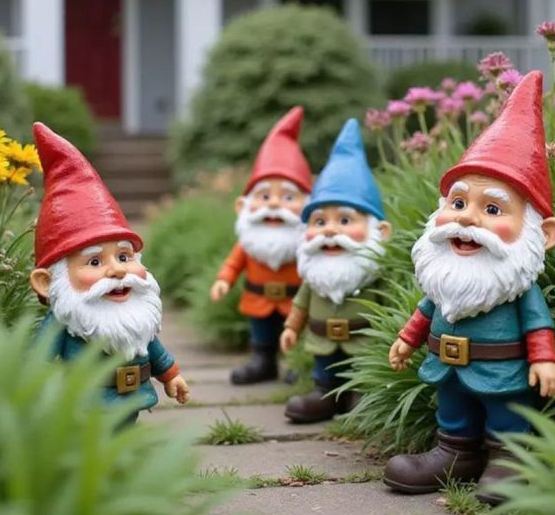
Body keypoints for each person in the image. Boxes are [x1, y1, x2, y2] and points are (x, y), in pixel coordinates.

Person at [384, 71, 555, 505]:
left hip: (503, 372)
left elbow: (537, 326)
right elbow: (428, 308)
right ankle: (455, 453)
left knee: (506, 415)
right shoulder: (446, 279)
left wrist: (543, 360)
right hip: (448, 368)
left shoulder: (516, 287)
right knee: (454, 411)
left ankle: (509, 458)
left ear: (544, 234)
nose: (467, 219)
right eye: (459, 203)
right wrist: (407, 340)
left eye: (492, 208)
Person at [30, 122, 189, 422]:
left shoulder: (133, 319)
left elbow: (152, 348)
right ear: (47, 283)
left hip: (132, 399)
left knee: (124, 436)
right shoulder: (64, 322)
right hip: (84, 405)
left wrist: (170, 376)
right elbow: (37, 361)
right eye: (94, 262)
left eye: (124, 256)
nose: (117, 270)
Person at [282, 118, 391, 423]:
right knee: (325, 370)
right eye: (319, 221)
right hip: (322, 341)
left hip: (363, 343)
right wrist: (292, 327)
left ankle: (363, 394)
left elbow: (388, 308)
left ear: (379, 231)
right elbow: (301, 304)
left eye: (344, 221)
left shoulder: (371, 276)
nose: (329, 231)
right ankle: (325, 395)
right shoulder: (315, 276)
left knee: (361, 369)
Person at [210, 107, 312, 384]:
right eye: (264, 195)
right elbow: (234, 263)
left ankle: (297, 363)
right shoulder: (250, 241)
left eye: (288, 197)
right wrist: (224, 281)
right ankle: (263, 361)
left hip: (295, 301)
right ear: (242, 206)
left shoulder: (304, 242)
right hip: (258, 299)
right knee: (262, 333)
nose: (275, 204)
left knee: (297, 331)